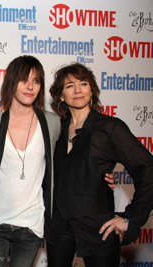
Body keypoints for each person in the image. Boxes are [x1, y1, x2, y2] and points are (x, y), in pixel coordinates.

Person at [47, 63, 153, 266]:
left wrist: (131, 218)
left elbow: (148, 168)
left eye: (83, 83)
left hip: (98, 227)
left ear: (92, 90)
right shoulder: (55, 129)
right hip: (59, 226)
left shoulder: (109, 128)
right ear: (61, 95)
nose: (78, 90)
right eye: (69, 85)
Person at [0, 55, 60, 267]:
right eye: (23, 79)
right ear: (12, 81)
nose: (30, 86)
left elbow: (70, 160)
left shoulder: (52, 122)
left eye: (36, 80)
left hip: (31, 224)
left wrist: (104, 171)